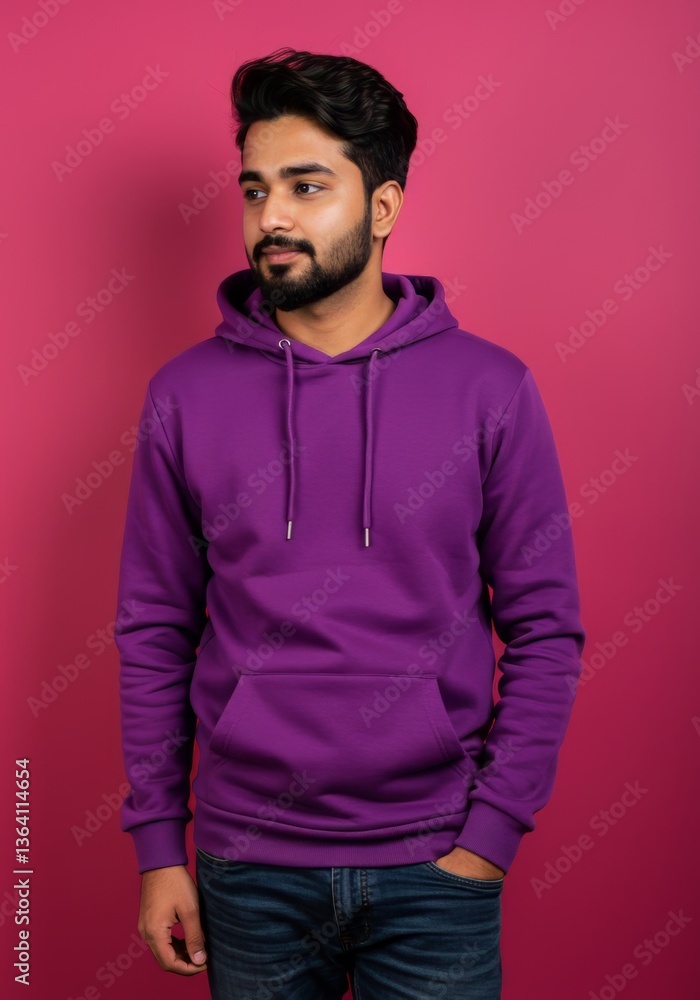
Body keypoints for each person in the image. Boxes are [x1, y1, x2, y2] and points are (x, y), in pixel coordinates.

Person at [115, 46, 586, 999]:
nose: (271, 218)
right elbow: (154, 630)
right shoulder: (184, 397)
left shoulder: (490, 390)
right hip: (248, 866)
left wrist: (489, 838)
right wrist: (160, 848)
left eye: (306, 186)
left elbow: (547, 628)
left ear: (382, 206)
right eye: (255, 190)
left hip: (437, 867)